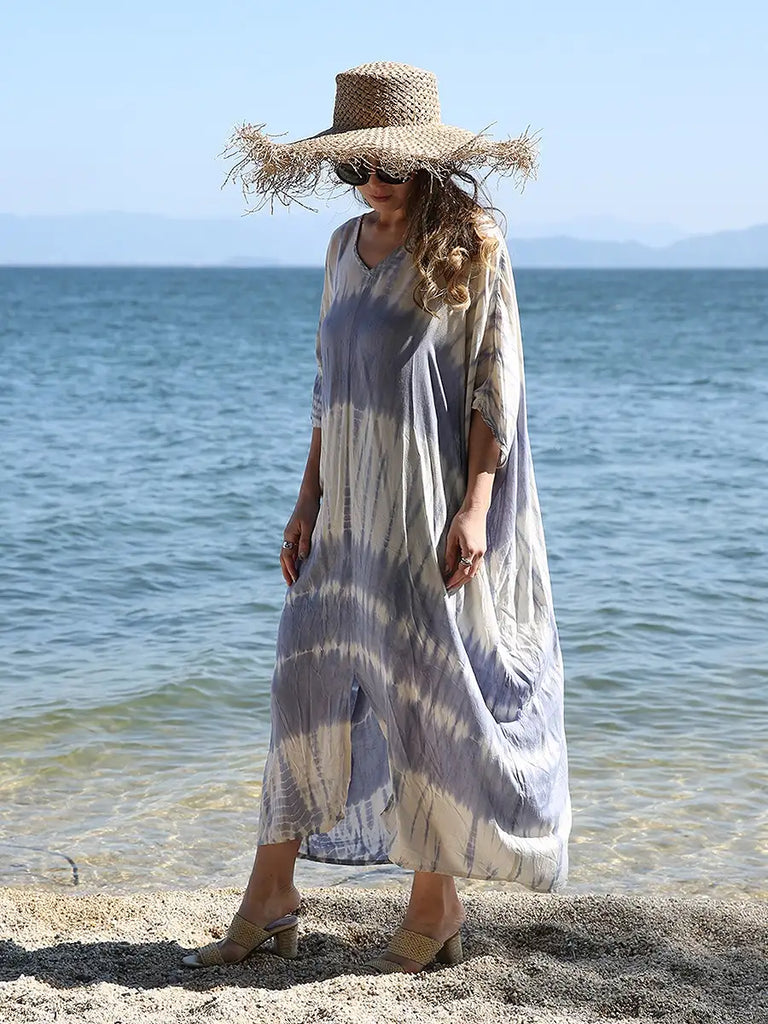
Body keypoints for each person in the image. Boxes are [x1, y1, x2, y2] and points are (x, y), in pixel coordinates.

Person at [183, 60, 571, 974]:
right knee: (303, 684)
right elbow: (329, 389)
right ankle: (271, 893)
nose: (373, 179)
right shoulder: (341, 246)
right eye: (356, 163)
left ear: (426, 159)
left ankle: (435, 905)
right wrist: (306, 499)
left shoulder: (471, 241)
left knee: (424, 696)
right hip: (347, 508)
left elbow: (495, 385)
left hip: (425, 507)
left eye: (391, 163)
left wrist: (476, 506)